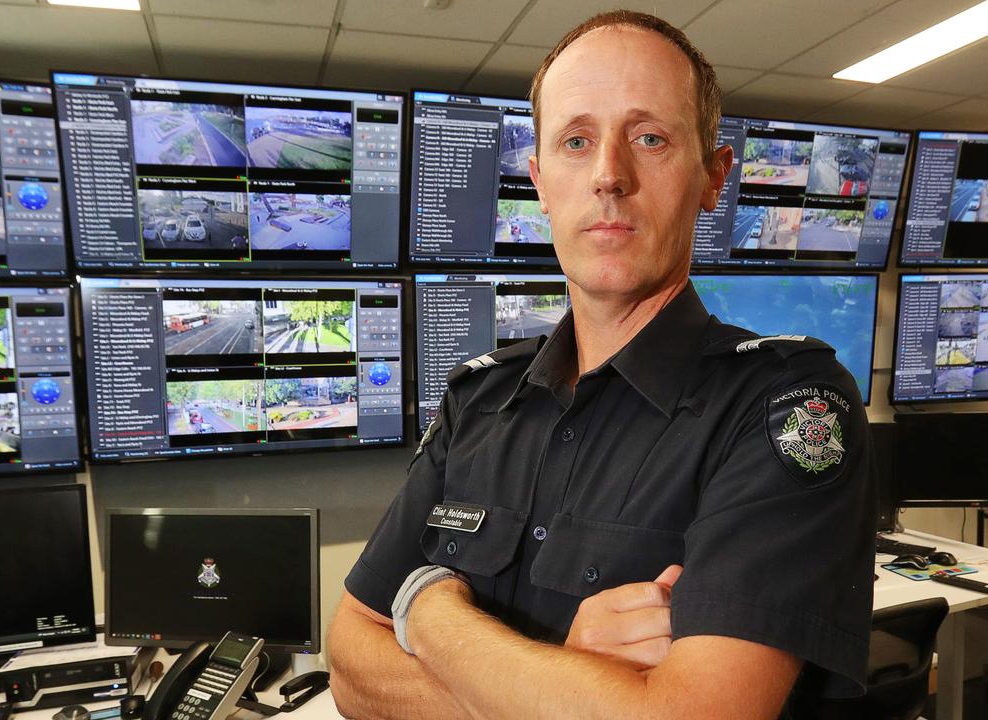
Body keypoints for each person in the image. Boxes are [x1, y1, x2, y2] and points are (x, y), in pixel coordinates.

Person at [327, 10, 875, 719]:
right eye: (576, 142)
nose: (609, 175)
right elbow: (349, 663)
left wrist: (428, 613)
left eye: (650, 138)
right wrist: (569, 674)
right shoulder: (479, 401)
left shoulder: (786, 406)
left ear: (713, 178)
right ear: (541, 182)